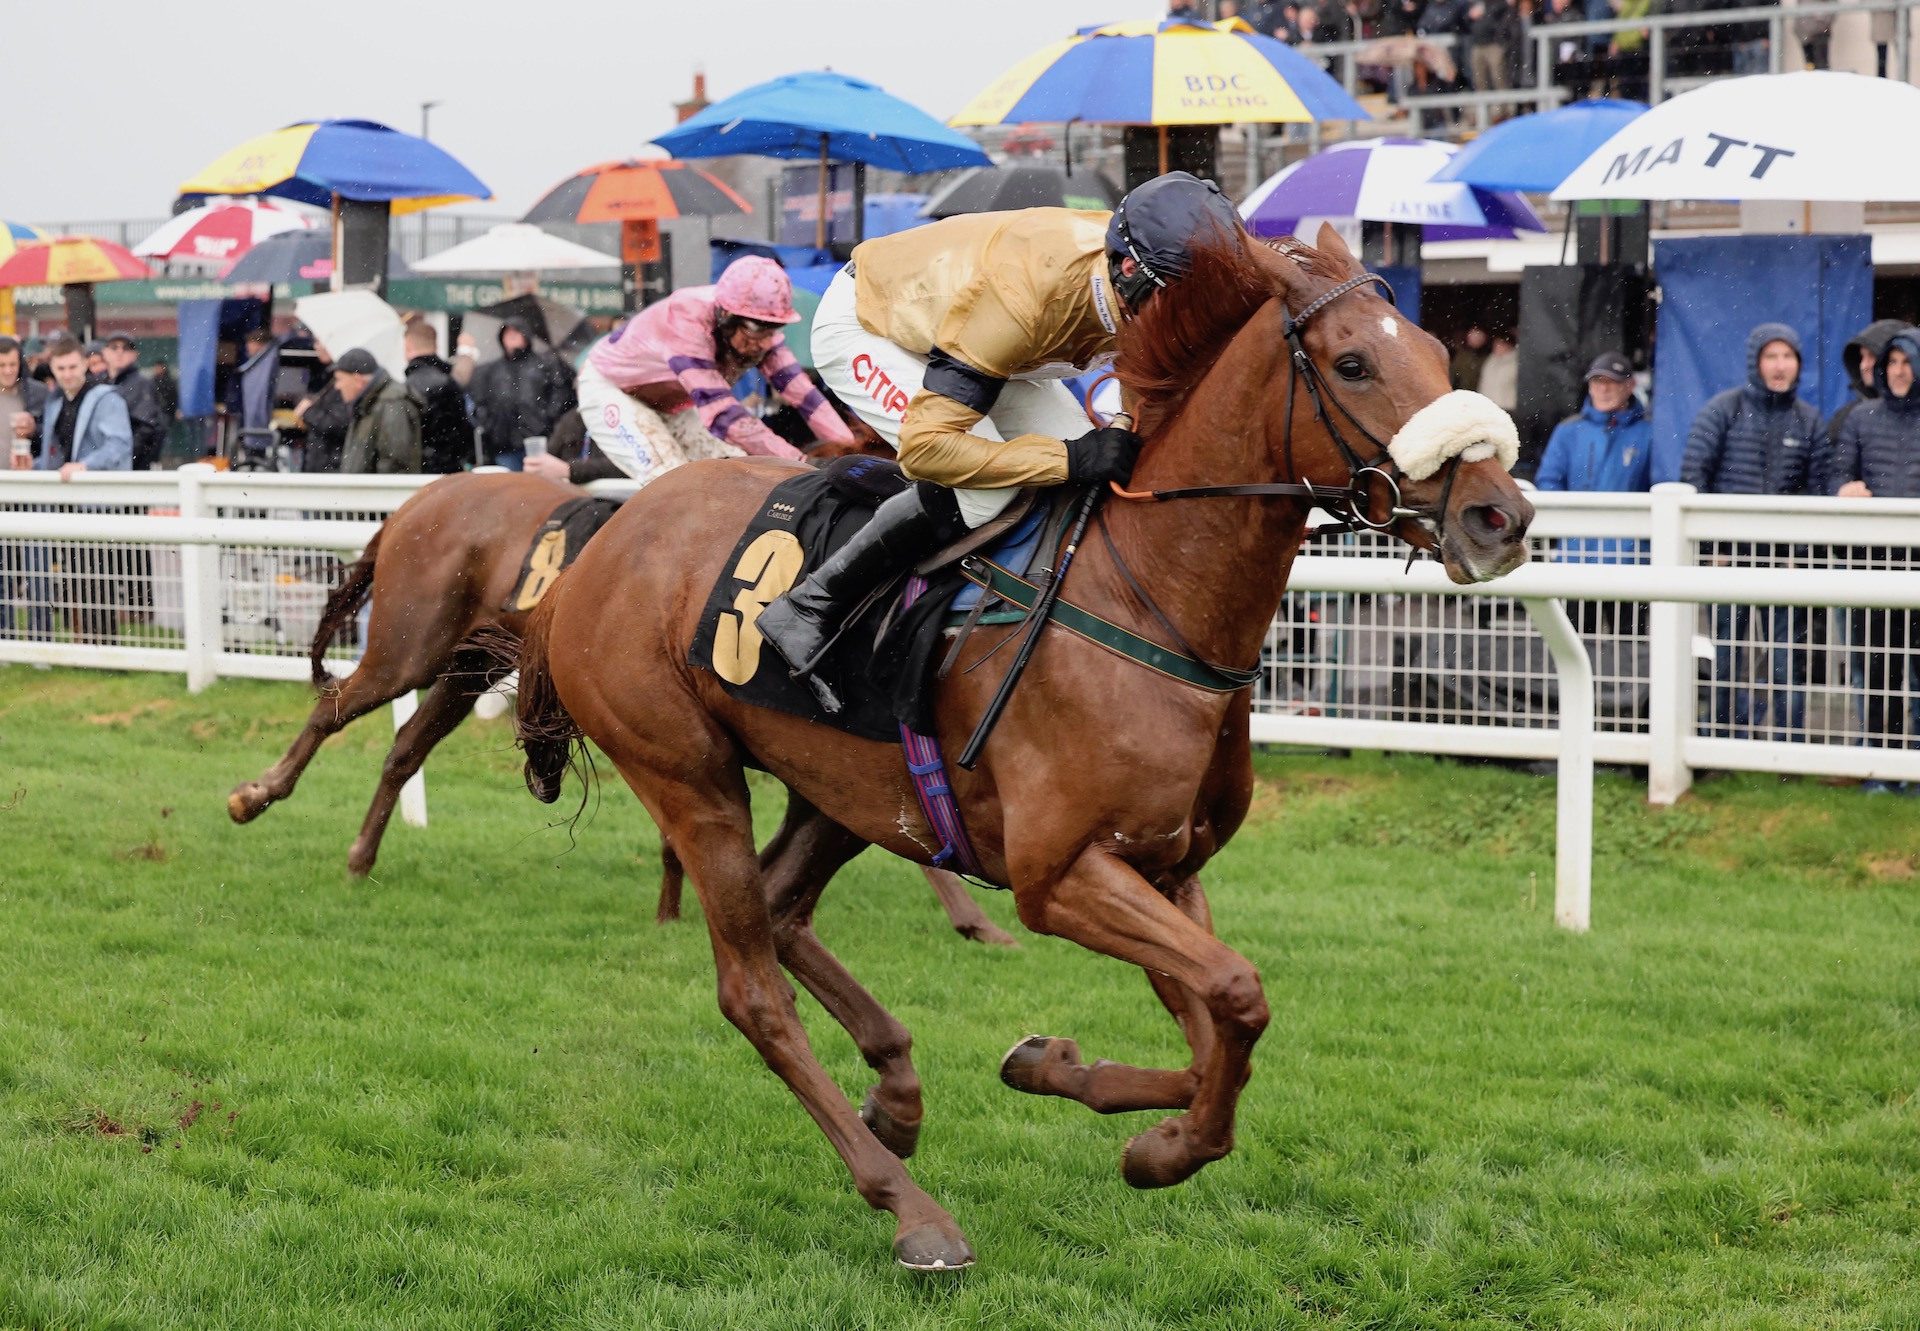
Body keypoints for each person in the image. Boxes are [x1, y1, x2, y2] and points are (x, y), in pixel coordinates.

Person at [755, 171, 1244, 702]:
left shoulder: (1150, 273)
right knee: (992, 490)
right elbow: (927, 448)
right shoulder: (1027, 303)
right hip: (875, 323)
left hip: (989, 339)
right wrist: (1068, 459)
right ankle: (810, 606)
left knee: (1089, 483)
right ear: (1129, 270)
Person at [530, 256, 839, 487]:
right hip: (610, 388)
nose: (765, 341)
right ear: (725, 315)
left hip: (669, 402)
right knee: (675, 481)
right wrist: (803, 464)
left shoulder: (758, 331)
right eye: (758, 327)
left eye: (776, 327)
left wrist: (848, 448)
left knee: (734, 471)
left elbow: (805, 396)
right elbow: (726, 417)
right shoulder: (688, 321)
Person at [1681, 321, 1825, 741]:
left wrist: (1802, 555)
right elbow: (1693, 477)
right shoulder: (1722, 410)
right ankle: (1723, 741)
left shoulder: (1809, 421)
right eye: (1771, 356)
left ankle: (1789, 749)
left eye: (1788, 357)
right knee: (1727, 657)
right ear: (1755, 363)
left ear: (1798, 364)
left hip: (1785, 562)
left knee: (1785, 660)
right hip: (1729, 560)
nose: (1780, 366)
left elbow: (1819, 490)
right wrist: (1712, 547)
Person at [1826, 325, 1920, 787]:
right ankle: (1881, 772)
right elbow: (1837, 475)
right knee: (1880, 670)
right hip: (1873, 565)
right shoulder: (1861, 419)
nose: (1900, 372)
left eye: (1907, 362)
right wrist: (1844, 488)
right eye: (1893, 363)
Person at [1534, 351, 1652, 641]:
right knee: (1576, 639)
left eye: (1611, 382)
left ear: (1630, 385)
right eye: (1597, 382)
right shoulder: (1569, 430)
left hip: (1630, 559)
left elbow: (1659, 486)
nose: (1603, 389)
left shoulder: (1649, 433)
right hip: (1577, 556)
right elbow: (1548, 481)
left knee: (1630, 644)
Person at [26, 337, 133, 642]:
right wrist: (34, 467)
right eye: (61, 368)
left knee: (98, 577)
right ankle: (85, 645)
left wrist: (85, 465)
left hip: (99, 501)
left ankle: (103, 647)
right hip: (68, 501)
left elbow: (120, 444)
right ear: (53, 369)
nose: (68, 373)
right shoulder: (57, 400)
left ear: (86, 363)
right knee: (76, 575)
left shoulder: (105, 398)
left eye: (73, 366)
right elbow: (56, 454)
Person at [467, 316, 575, 470]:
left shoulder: (544, 365)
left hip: (538, 441)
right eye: (507, 333)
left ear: (526, 336)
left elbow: (560, 395)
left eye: (516, 332)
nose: (511, 336)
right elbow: (479, 402)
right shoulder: (491, 371)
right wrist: (491, 425)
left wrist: (546, 420)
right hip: (504, 444)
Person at [1822, 317, 1906, 469]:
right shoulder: (1847, 417)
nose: (1864, 365)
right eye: (1862, 357)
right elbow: (1830, 474)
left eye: (1872, 356)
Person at [334, 348, 422, 474]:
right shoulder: (368, 403)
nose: (337, 386)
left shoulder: (391, 402)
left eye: (339, 379)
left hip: (377, 492)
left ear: (358, 380)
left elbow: (395, 461)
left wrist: (376, 491)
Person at [403, 321, 475, 474]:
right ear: (435, 345)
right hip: (453, 468)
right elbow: (464, 429)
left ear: (408, 346)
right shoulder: (449, 380)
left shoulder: (411, 385)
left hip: (424, 470)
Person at [100, 332, 165, 471]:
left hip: (131, 466)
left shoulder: (142, 384)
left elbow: (147, 429)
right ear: (104, 352)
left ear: (135, 354)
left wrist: (123, 456)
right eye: (114, 347)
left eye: (126, 348)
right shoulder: (98, 383)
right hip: (101, 463)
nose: (120, 352)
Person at [0, 334, 49, 465]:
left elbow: (55, 433)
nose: (7, 370)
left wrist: (34, 429)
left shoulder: (38, 393)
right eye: (1, 365)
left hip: (27, 473)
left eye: (12, 364)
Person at [1478, 332, 1518, 413]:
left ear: (1508, 345)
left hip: (1507, 407)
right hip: (1489, 406)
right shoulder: (1491, 360)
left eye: (1499, 344)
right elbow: (1484, 382)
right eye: (1495, 344)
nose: (1496, 347)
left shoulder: (1515, 362)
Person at [1450, 326, 1489, 391]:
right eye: (1473, 337)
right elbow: (1453, 373)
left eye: (1478, 337)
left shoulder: (1488, 357)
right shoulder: (1462, 355)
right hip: (1463, 392)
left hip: (1481, 393)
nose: (1476, 340)